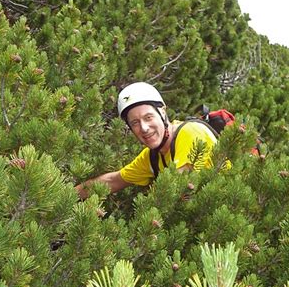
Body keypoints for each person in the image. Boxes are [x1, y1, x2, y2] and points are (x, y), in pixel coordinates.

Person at [75, 82, 218, 199]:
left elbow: (176, 187)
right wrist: (66, 196)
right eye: (135, 123)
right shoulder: (152, 157)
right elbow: (113, 180)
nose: (144, 128)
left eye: (148, 117)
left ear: (162, 112)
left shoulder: (190, 133)